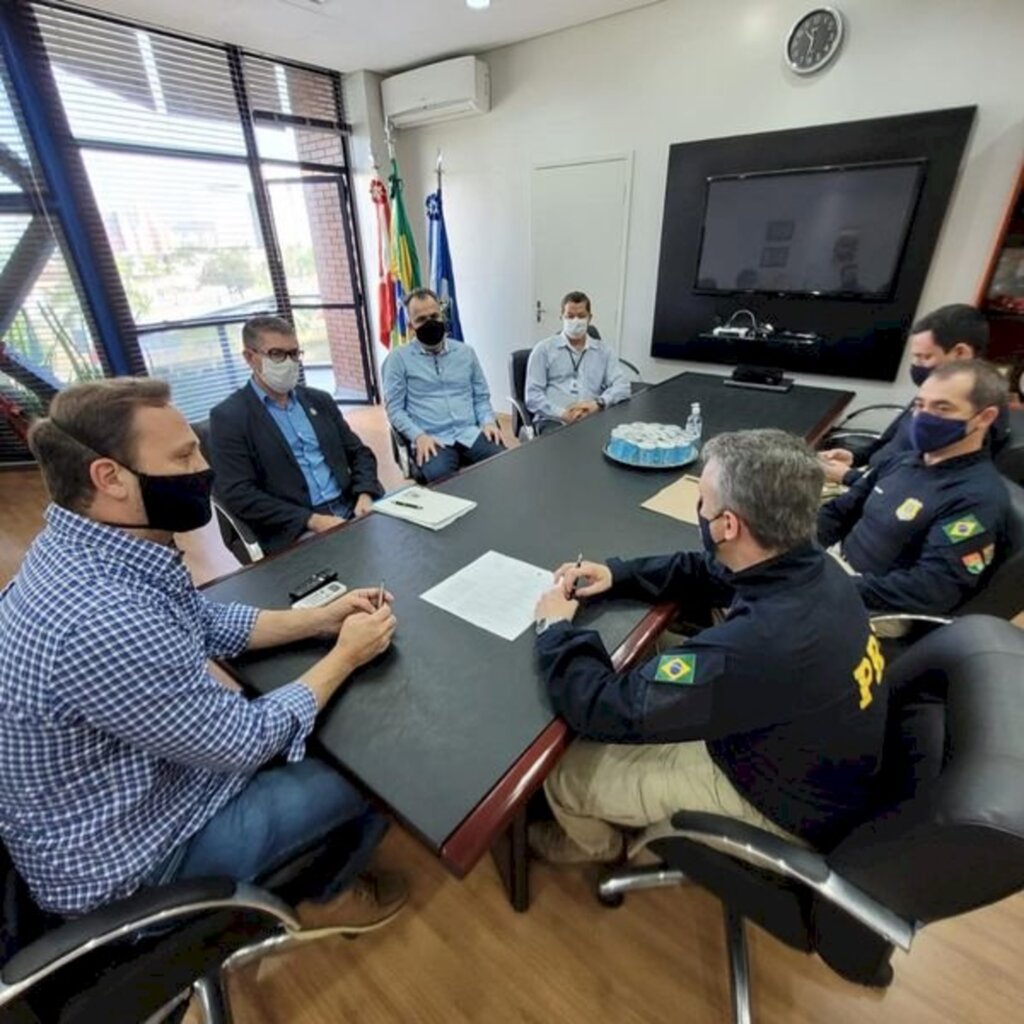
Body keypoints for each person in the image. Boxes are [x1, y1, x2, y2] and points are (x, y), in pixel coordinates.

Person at [0, 378, 406, 930]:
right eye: (183, 454)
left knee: (326, 720)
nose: (203, 465)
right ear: (108, 477)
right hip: (137, 866)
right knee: (378, 763)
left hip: (141, 792)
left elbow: (202, 620)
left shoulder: (90, 547)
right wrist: (345, 656)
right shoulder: (100, 619)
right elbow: (243, 740)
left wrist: (322, 618)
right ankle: (325, 889)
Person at [528, 429, 887, 865]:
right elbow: (709, 570)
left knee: (564, 773)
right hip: (811, 754)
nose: (699, 511)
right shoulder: (811, 564)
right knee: (652, 647)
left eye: (703, 502)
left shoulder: (753, 645)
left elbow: (605, 709)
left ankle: (603, 849)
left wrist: (554, 628)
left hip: (776, 800)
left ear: (729, 525)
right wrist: (617, 574)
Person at [818, 360, 1011, 616]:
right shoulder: (902, 460)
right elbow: (838, 512)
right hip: (834, 569)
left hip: (875, 607)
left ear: (985, 417)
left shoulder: (977, 498)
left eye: (942, 408)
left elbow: (930, 591)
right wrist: (796, 549)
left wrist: (827, 586)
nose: (923, 417)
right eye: (920, 405)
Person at [209, 316, 384, 555]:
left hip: (353, 507)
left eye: (294, 354)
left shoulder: (319, 400)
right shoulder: (230, 417)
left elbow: (358, 453)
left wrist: (364, 494)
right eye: (277, 354)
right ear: (250, 358)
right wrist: (310, 520)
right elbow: (239, 494)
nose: (289, 363)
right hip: (296, 527)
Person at [819, 304, 1008, 486]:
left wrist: (850, 477)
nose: (916, 365)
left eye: (925, 357)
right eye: (915, 357)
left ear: (960, 353)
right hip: (868, 477)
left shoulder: (977, 413)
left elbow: (924, 485)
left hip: (881, 493)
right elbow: (889, 443)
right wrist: (854, 458)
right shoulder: (934, 391)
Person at [382, 288, 504, 482]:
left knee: (503, 463)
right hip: (432, 439)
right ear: (411, 326)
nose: (430, 322)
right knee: (442, 481)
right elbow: (395, 410)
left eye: (434, 316)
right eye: (421, 319)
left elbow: (480, 397)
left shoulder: (466, 353)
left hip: (469, 432)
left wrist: (488, 422)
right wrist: (418, 436)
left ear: (442, 316)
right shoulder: (397, 360)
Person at [524, 291, 630, 433]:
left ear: (589, 318)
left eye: (581, 316)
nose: (575, 321)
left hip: (592, 416)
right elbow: (532, 397)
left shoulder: (603, 351)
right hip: (553, 419)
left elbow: (622, 386)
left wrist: (598, 404)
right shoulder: (543, 350)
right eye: (570, 316)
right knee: (563, 449)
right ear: (562, 317)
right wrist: (562, 414)